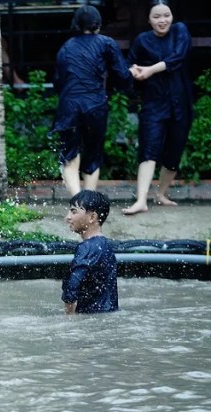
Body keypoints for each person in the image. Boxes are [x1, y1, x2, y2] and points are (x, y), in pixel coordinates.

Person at [53, 5, 134, 197]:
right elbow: (123, 76)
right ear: (98, 23)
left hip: (69, 106)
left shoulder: (66, 47)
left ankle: (76, 203)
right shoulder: (106, 42)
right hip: (95, 106)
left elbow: (58, 82)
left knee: (70, 156)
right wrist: (129, 76)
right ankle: (88, 206)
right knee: (93, 156)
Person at [122, 0, 193, 215]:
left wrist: (151, 69)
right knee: (149, 149)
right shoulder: (142, 40)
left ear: (172, 16)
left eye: (166, 15)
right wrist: (133, 71)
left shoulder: (180, 31)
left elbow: (178, 57)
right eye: (156, 16)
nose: (162, 20)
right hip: (154, 102)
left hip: (180, 102)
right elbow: (129, 65)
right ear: (149, 20)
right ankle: (141, 200)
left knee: (174, 151)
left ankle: (161, 193)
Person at [62, 190, 119, 314]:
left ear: (92, 217)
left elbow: (72, 286)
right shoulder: (106, 246)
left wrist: (68, 319)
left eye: (74, 211)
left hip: (89, 319)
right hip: (108, 314)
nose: (68, 217)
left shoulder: (87, 247)